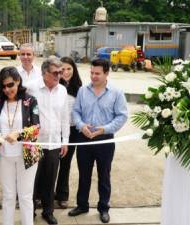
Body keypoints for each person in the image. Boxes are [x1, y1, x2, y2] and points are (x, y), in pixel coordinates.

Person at [68, 59, 128, 223]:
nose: (93, 76)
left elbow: (122, 116)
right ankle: (82, 205)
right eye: (92, 73)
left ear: (107, 73)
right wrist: (81, 126)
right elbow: (76, 111)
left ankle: (103, 208)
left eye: (97, 73)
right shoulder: (82, 91)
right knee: (84, 174)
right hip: (84, 138)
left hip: (104, 140)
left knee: (104, 175)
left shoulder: (116, 92)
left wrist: (104, 129)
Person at [0, 66, 41, 225]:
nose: (7, 89)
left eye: (10, 85)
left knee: (25, 196)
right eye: (3, 86)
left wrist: (19, 135)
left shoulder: (30, 101)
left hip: (26, 155)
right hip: (4, 156)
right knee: (8, 196)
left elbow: (37, 128)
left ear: (18, 81)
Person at [28, 58, 70, 225]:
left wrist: (65, 140)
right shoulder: (31, 88)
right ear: (44, 72)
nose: (59, 75)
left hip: (53, 143)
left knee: (50, 180)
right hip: (34, 143)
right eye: (55, 73)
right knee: (31, 181)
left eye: (60, 72)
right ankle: (29, 211)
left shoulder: (62, 91)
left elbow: (65, 117)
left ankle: (48, 212)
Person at [54, 56, 83, 209]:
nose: (65, 72)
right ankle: (44, 193)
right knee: (51, 163)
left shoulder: (80, 88)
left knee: (65, 163)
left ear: (74, 70)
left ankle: (62, 195)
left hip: (72, 131)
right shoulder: (54, 85)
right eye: (62, 69)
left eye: (69, 69)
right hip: (54, 130)